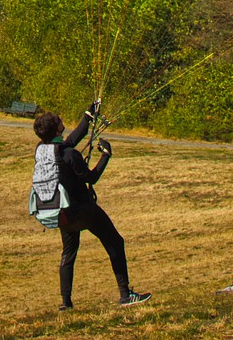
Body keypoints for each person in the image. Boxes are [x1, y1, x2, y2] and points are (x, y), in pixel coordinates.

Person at [33, 101, 151, 310]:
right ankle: (125, 295)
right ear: (57, 128)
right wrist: (106, 155)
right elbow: (92, 177)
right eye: (60, 121)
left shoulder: (43, 149)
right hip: (81, 211)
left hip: (59, 212)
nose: (62, 121)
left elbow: (69, 142)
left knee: (68, 253)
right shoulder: (69, 155)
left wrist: (87, 117)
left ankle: (66, 303)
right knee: (115, 241)